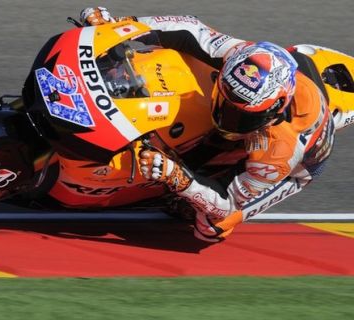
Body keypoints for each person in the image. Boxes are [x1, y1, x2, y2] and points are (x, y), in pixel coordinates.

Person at [80, 7, 335, 242]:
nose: (227, 117)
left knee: (212, 227)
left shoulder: (277, 154)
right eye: (225, 101)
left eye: (241, 116)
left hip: (296, 167)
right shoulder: (245, 57)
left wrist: (178, 178)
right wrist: (121, 27)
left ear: (271, 112)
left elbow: (226, 203)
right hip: (282, 92)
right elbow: (190, 29)